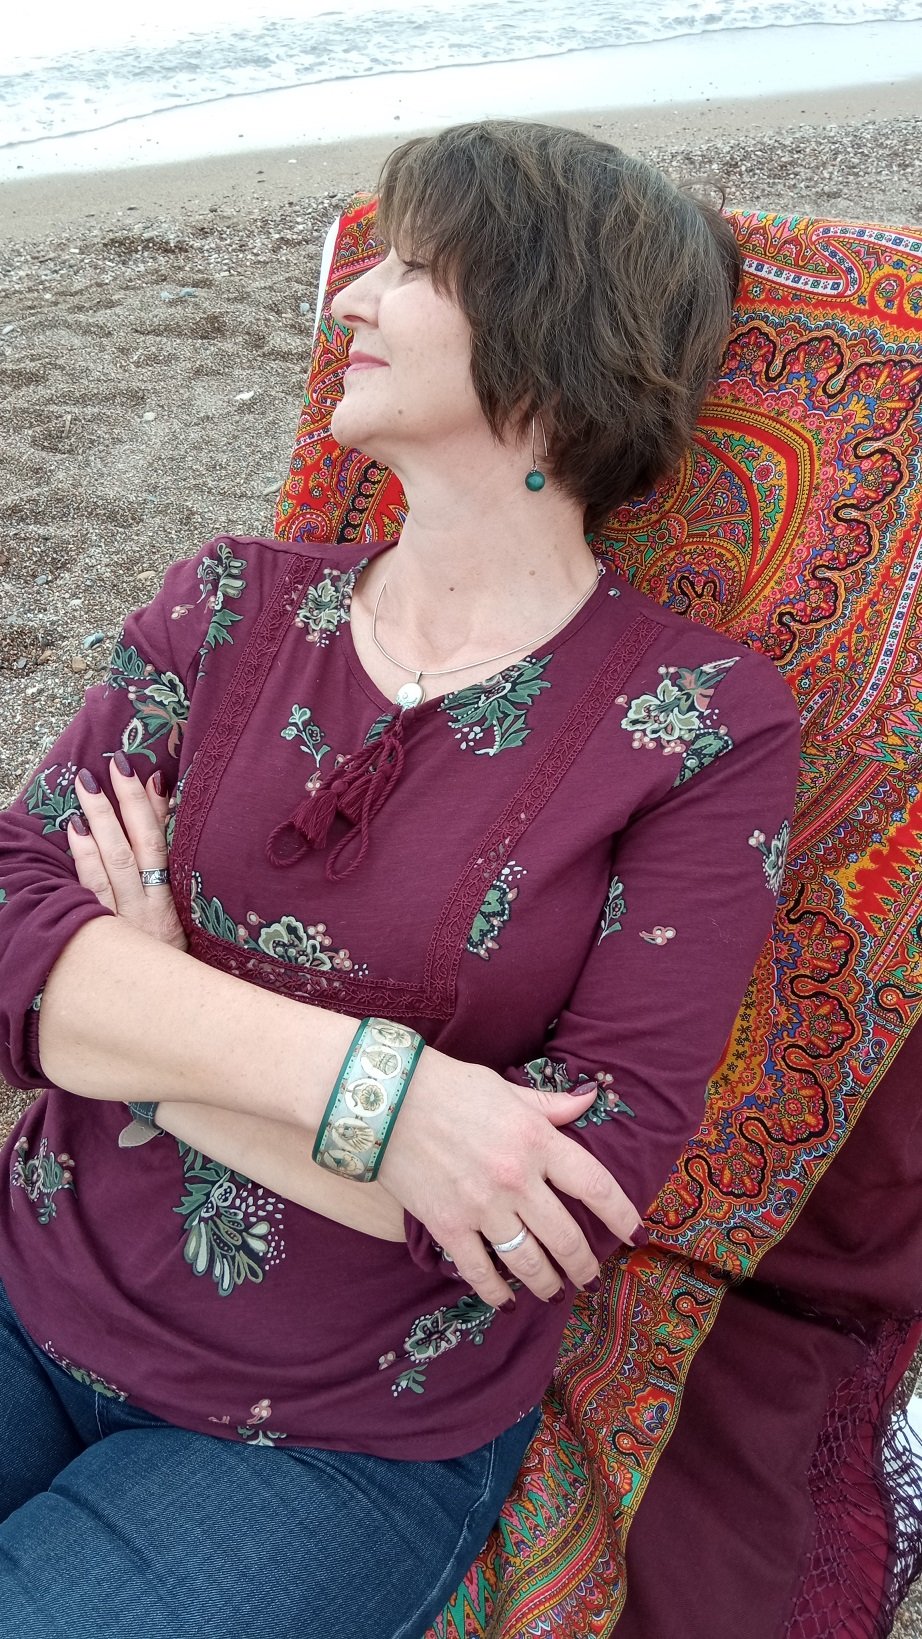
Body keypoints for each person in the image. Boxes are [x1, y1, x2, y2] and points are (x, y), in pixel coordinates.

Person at [0, 121, 801, 1638]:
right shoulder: (224, 605)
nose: (348, 298)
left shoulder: (699, 722)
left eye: (412, 267)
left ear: (551, 333)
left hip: (335, 1429)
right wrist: (396, 1106)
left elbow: (563, 1198)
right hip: (28, 1275)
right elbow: (6, 919)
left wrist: (139, 1020)